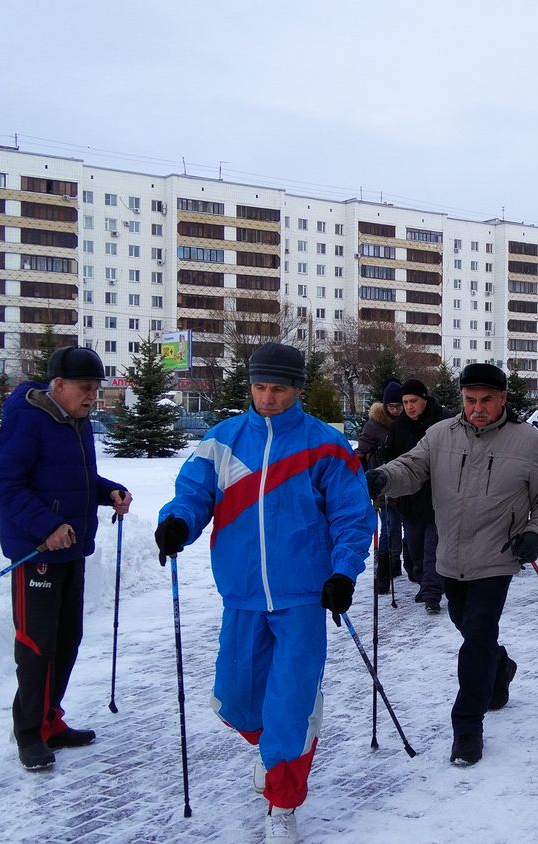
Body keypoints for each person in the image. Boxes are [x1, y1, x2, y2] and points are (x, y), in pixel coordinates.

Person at [153, 342, 372, 842]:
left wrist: (343, 573)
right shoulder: (223, 440)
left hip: (303, 596)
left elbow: (352, 518)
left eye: (278, 388)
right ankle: (272, 749)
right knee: (235, 699)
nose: (268, 397)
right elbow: (192, 494)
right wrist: (177, 524)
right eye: (260, 387)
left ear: (296, 389)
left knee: (290, 705)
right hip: (243, 592)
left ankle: (282, 802)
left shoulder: (325, 445)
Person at [366, 363, 538, 766]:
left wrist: (534, 534)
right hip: (449, 559)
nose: (477, 408)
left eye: (486, 400)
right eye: (470, 400)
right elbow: (412, 467)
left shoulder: (526, 442)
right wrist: (384, 478)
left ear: (503, 398)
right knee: (471, 629)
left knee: (475, 637)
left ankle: (467, 727)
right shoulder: (439, 435)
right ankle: (501, 667)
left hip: (497, 556)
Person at [0, 346, 131, 771]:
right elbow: (5, 485)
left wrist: (109, 492)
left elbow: (78, 479)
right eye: (86, 389)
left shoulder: (77, 421)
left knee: (67, 638)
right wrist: (45, 528)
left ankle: (50, 720)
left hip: (71, 548)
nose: (93, 397)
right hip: (36, 552)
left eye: (96, 390)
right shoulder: (28, 420)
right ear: (59, 385)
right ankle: (28, 733)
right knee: (37, 644)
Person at [380, 379, 449, 613]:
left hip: (438, 497)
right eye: (405, 402)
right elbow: (390, 458)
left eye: (413, 401)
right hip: (409, 499)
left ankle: (432, 593)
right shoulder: (399, 426)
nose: (409, 407)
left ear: (424, 399)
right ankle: (424, 582)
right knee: (415, 547)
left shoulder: (442, 422)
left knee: (433, 548)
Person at [354, 380, 404, 593]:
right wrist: (363, 480)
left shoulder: (406, 423)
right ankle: (383, 573)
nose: (395, 410)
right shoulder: (374, 426)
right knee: (390, 528)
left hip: (404, 481)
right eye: (391, 406)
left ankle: (397, 566)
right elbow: (359, 456)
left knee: (404, 527)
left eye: (398, 406)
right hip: (382, 485)